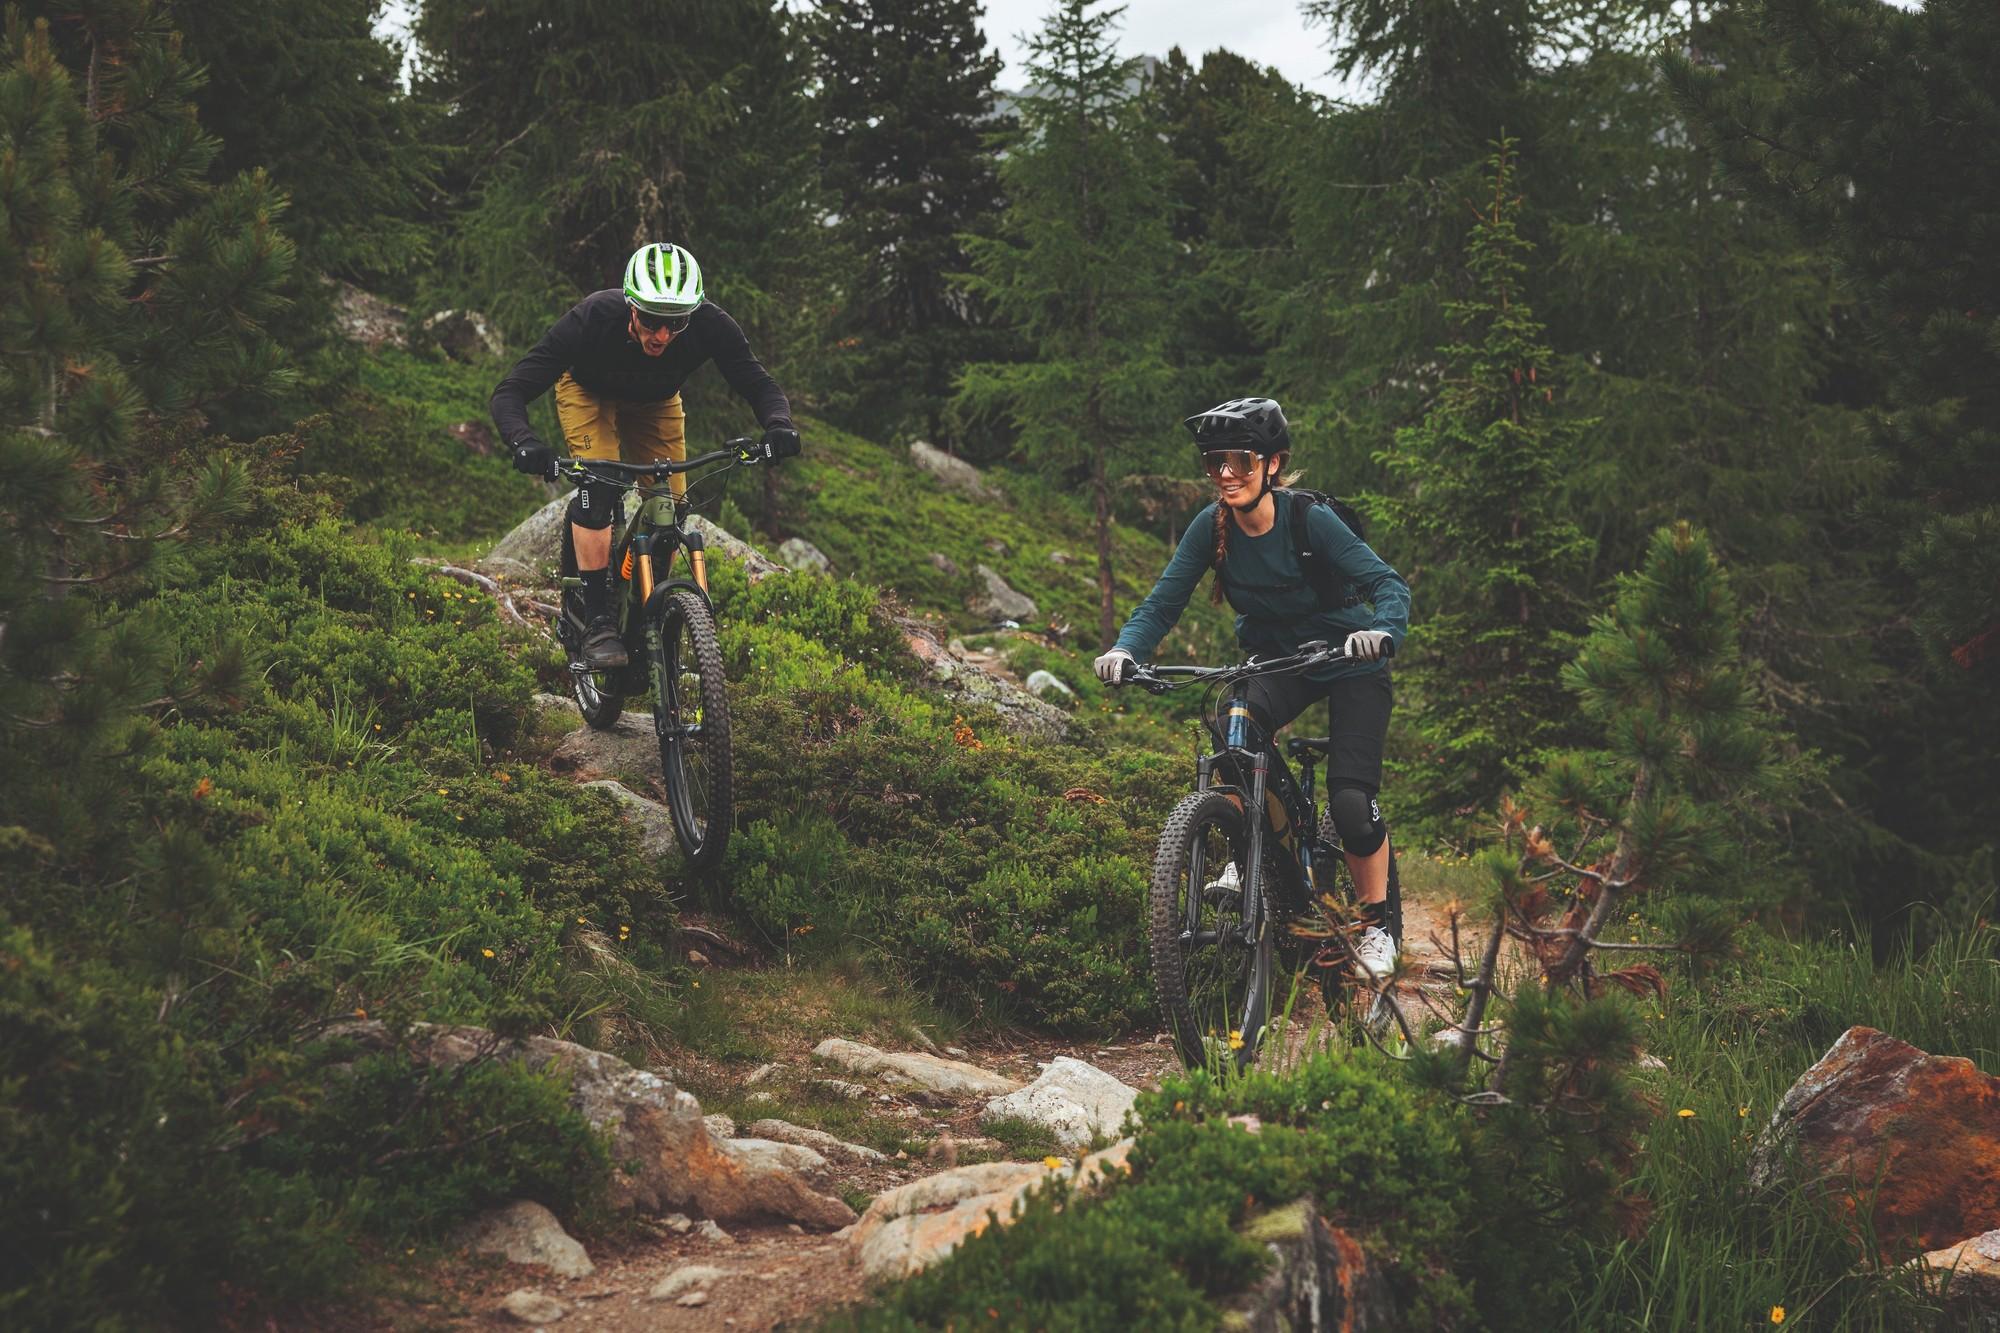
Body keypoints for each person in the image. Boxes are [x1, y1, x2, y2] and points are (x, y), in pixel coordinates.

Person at [1094, 397, 1411, 977]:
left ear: (1272, 464)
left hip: (1349, 659)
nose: (1226, 474)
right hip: (1279, 661)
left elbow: (1387, 583)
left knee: (1350, 803)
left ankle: (1376, 927)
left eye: (1240, 460)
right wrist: (1125, 650)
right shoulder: (1211, 527)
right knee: (1234, 730)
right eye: (1215, 462)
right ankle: (1251, 853)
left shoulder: (1309, 520)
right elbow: (1163, 603)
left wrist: (1382, 631)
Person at [491, 242, 802, 669]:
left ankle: (645, 615)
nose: (662, 336)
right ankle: (597, 620)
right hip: (588, 393)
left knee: (670, 506)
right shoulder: (592, 319)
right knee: (599, 488)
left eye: (676, 324)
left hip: (656, 401)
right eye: (652, 321)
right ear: (631, 306)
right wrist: (524, 442)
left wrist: (779, 425)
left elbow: (758, 383)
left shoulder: (711, 324)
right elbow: (511, 390)